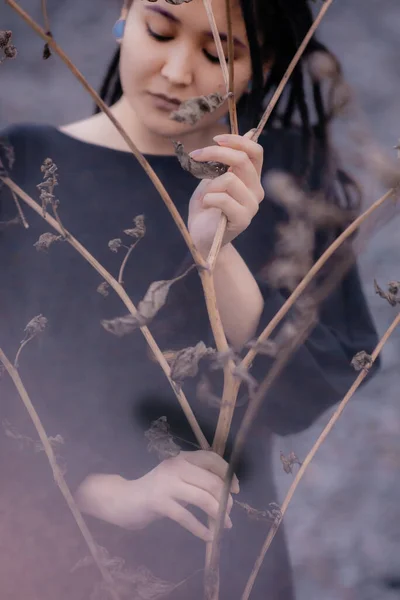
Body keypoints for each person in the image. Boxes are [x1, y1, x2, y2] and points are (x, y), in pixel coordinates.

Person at [0, 0, 380, 598]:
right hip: (50, 555)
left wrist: (218, 256)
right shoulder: (19, 169)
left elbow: (310, 388)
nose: (178, 72)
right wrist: (105, 491)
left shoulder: (285, 178)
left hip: (224, 562)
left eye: (218, 53)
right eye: (159, 28)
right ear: (123, 13)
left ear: (266, 65)